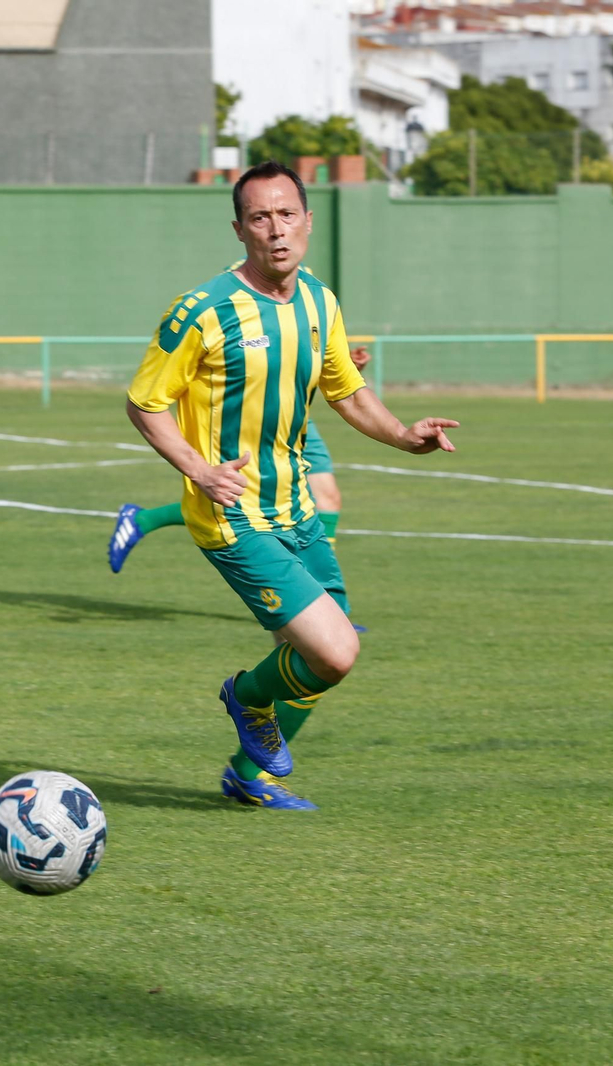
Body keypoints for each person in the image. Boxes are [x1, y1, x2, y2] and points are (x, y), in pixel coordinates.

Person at [124, 161, 457, 811]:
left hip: (298, 510)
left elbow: (346, 391)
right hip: (235, 518)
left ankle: (250, 777)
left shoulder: (317, 301)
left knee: (319, 654)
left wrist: (405, 436)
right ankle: (244, 698)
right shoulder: (203, 310)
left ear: (306, 221)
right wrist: (196, 468)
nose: (275, 230)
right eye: (259, 218)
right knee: (334, 651)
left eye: (285, 215)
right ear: (240, 229)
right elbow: (144, 403)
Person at [108, 348, 372, 633]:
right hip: (246, 425)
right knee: (243, 505)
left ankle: (326, 606)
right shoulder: (227, 313)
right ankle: (142, 520)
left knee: (328, 498)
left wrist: (341, 364)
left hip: (296, 421)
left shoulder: (309, 307)